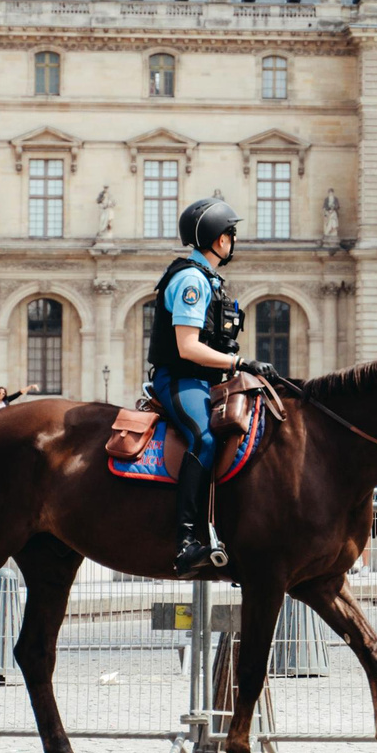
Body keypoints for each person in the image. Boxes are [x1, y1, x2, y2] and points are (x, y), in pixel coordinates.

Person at [150, 196, 245, 576]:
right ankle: (187, 541)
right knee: (203, 438)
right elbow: (187, 347)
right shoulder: (191, 279)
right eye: (231, 234)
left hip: (204, 380)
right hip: (180, 379)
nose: (233, 241)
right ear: (219, 239)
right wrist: (240, 363)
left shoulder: (208, 278)